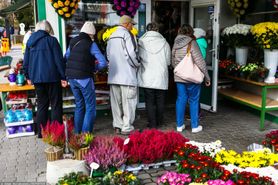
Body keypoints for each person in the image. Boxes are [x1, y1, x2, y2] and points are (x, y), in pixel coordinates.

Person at [23, 20, 66, 138]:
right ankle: (57, 133)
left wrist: (27, 75)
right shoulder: (52, 41)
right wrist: (63, 76)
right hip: (53, 78)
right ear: (48, 29)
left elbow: (26, 61)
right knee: (56, 104)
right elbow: (59, 60)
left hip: (37, 79)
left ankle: (42, 133)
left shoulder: (30, 42)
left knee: (42, 104)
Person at [65, 21, 107, 133]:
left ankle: (77, 132)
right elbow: (103, 63)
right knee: (90, 107)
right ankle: (85, 136)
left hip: (72, 78)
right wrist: (94, 68)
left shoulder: (73, 41)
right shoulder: (91, 44)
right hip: (84, 78)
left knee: (79, 105)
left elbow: (66, 56)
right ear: (91, 34)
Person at [172, 24, 211, 133]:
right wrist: (207, 77)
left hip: (179, 77)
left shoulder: (175, 43)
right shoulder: (192, 43)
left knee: (181, 99)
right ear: (191, 32)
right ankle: (194, 126)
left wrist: (178, 70)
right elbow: (200, 61)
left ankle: (179, 126)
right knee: (193, 100)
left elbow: (172, 60)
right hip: (192, 78)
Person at [106, 15, 140, 135]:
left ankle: (117, 125)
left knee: (116, 103)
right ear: (127, 24)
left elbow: (108, 56)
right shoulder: (127, 34)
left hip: (113, 75)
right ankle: (127, 127)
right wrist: (136, 65)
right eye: (132, 24)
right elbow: (130, 54)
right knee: (128, 102)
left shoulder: (111, 35)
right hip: (126, 75)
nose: (132, 27)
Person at [138, 22, 171, 128]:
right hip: (160, 75)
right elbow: (168, 62)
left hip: (147, 75)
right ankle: (160, 121)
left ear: (147, 30)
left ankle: (152, 123)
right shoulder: (165, 43)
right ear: (157, 30)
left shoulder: (141, 42)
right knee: (160, 100)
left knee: (149, 101)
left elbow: (138, 58)